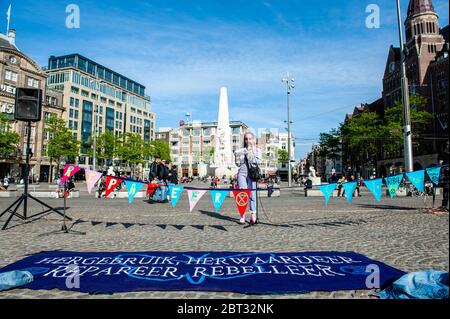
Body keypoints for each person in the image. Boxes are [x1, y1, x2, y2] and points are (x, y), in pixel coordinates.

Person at [234, 131, 262, 225]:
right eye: (246, 139)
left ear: (253, 140)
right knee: (242, 194)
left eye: (250, 138)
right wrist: (236, 157)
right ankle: (242, 215)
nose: (248, 140)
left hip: (252, 173)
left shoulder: (257, 150)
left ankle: (253, 214)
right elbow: (238, 164)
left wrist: (250, 156)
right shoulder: (241, 150)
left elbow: (258, 162)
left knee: (252, 194)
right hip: (242, 173)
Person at [438, 141, 449, 210]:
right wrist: (441, 163)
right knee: (446, 189)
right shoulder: (442, 154)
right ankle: (444, 205)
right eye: (447, 145)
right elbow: (440, 162)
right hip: (446, 174)